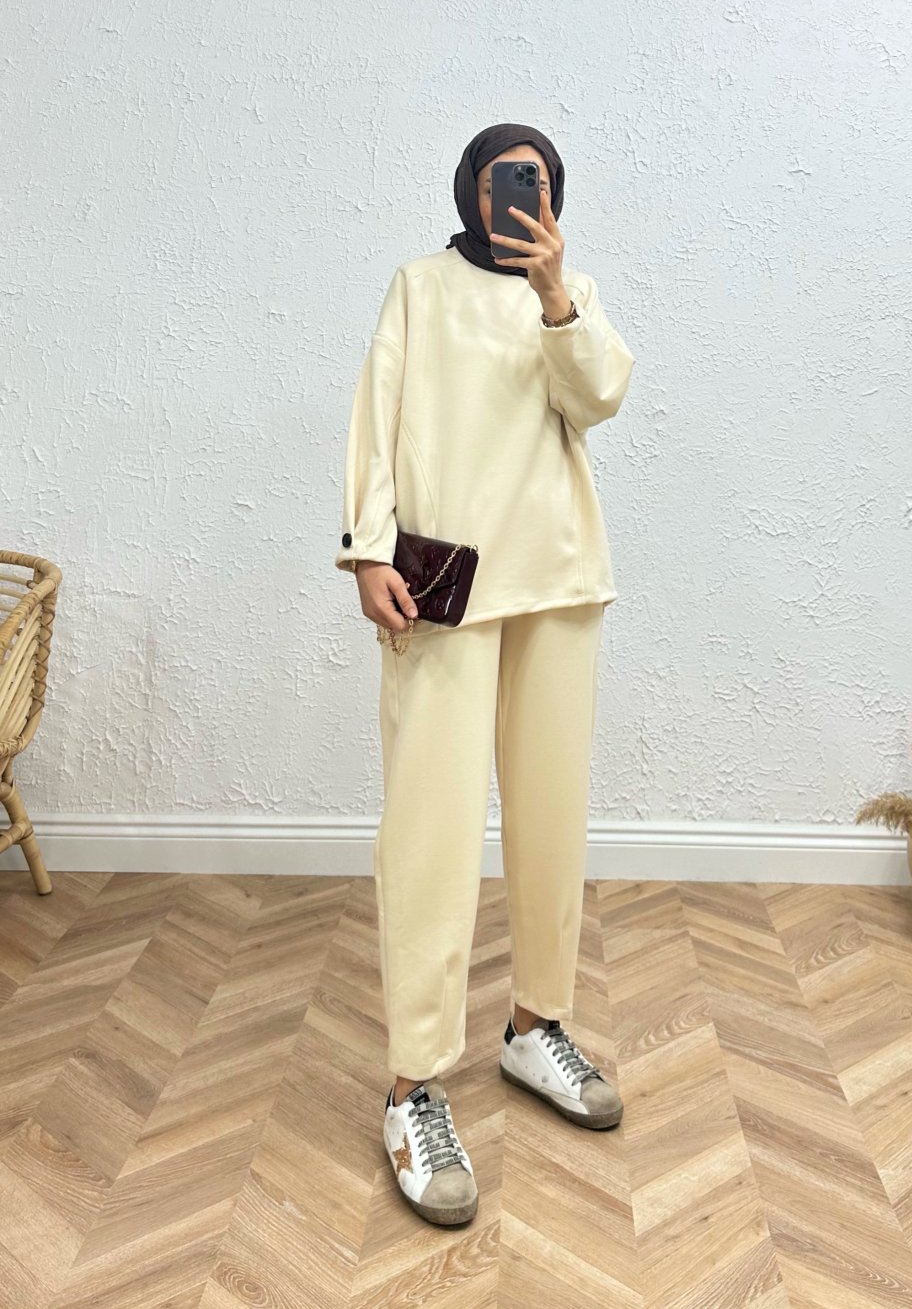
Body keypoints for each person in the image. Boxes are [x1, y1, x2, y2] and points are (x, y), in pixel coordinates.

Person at [335, 122, 636, 1226]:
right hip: (442, 588)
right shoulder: (418, 287)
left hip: (557, 580)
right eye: (508, 178)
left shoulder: (571, 292)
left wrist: (555, 293)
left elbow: (598, 398)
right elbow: (374, 421)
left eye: (540, 181)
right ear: (469, 188)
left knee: (553, 821)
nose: (523, 193)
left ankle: (534, 1027)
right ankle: (413, 1084)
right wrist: (368, 549)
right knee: (432, 833)